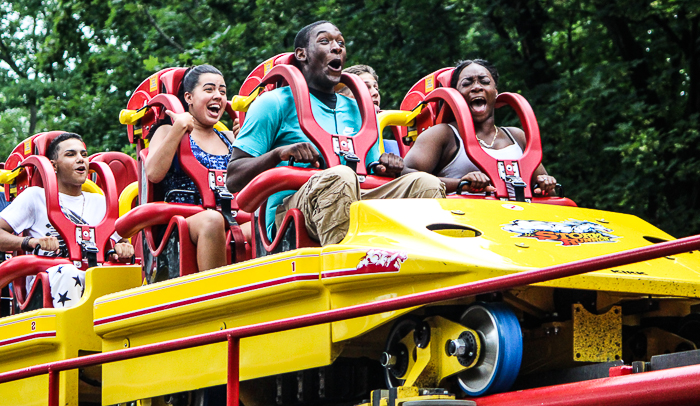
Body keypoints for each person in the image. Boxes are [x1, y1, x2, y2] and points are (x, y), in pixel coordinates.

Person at [227, 21, 445, 246]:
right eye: (325, 41)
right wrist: (278, 154)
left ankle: (432, 268)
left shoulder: (357, 109)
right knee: (341, 177)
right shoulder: (273, 103)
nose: (337, 47)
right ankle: (344, 266)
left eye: (340, 42)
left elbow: (371, 169)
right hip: (291, 213)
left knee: (426, 183)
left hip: (355, 197)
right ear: (302, 54)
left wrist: (386, 166)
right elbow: (233, 178)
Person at [0, 133, 134, 308]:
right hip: (48, 284)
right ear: (53, 166)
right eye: (70, 155)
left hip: (92, 277)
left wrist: (123, 248)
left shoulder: (101, 202)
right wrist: (30, 242)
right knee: (68, 272)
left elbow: (121, 241)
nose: (80, 159)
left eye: (83, 155)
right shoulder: (35, 197)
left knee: (121, 274)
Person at [402, 59, 557, 196]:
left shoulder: (517, 136)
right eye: (467, 83)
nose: (477, 87)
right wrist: (460, 184)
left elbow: (550, 192)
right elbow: (404, 174)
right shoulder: (442, 134)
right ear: (456, 94)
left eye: (484, 81)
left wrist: (546, 184)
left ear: (496, 92)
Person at [146, 64, 237, 271]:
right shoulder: (168, 131)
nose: (218, 96)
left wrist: (247, 140)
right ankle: (215, 298)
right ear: (189, 98)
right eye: (209, 89)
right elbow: (153, 173)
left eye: (222, 92)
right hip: (180, 223)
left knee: (266, 223)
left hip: (230, 218)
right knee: (212, 221)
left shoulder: (230, 138)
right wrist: (178, 129)